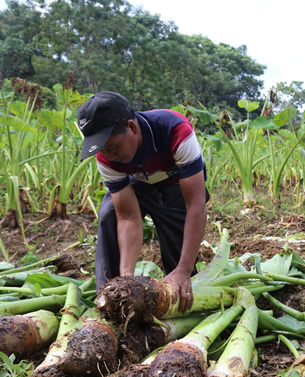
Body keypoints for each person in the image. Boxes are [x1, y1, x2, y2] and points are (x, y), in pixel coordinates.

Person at [78, 91, 208, 312]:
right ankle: (110, 295)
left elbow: (196, 204)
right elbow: (128, 217)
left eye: (112, 147)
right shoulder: (106, 157)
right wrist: (126, 277)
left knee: (181, 271)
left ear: (132, 127)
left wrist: (183, 269)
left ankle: (181, 274)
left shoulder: (174, 131)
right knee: (109, 211)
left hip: (177, 185)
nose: (109, 155)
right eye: (103, 150)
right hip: (138, 184)